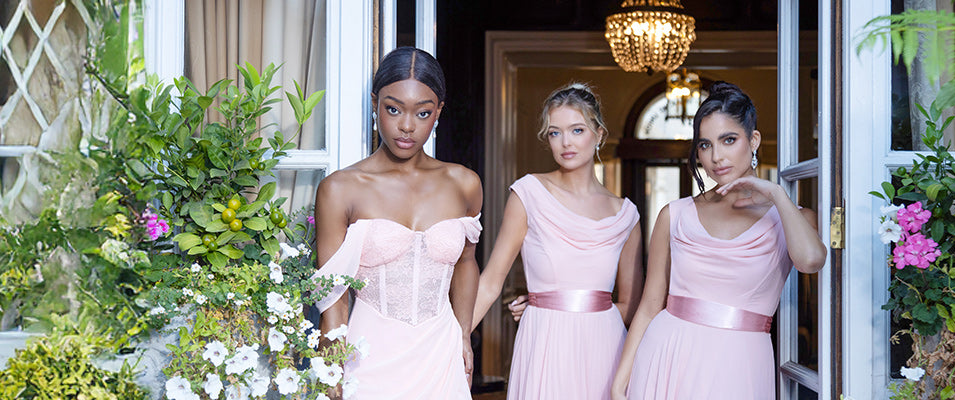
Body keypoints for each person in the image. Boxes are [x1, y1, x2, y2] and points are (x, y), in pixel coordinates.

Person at [611, 81, 827, 400]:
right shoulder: (675, 214)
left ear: (753, 141)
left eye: (728, 140)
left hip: (739, 364)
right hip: (666, 355)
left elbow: (811, 261)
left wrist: (777, 194)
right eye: (705, 145)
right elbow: (650, 305)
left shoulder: (793, 217)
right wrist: (619, 385)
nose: (716, 157)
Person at [312, 46, 480, 399]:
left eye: (422, 113)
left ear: (438, 113)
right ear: (375, 104)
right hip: (369, 357)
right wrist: (332, 369)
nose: (406, 126)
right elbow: (333, 295)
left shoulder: (464, 184)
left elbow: (466, 263)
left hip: (441, 355)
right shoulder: (341, 188)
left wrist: (463, 335)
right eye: (393, 109)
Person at [473, 83, 642, 399]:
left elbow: (631, 305)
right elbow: (490, 283)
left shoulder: (626, 215)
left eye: (577, 130)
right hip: (544, 344)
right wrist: (449, 341)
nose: (566, 142)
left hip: (604, 350)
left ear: (599, 134)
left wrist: (572, 311)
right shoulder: (528, 193)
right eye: (555, 133)